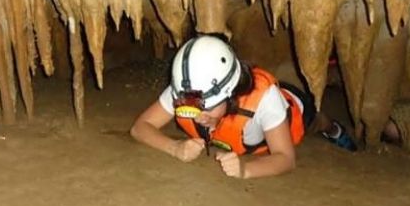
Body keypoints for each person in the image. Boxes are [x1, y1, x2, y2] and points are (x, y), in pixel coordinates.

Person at [130, 34, 356, 179]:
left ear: (229, 94)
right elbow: (140, 127)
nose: (198, 116)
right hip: (247, 117)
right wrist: (175, 148)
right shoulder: (189, 88)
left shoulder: (265, 100)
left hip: (293, 109)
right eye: (192, 107)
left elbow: (286, 158)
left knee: (315, 121)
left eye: (206, 108)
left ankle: (333, 128)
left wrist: (245, 170)